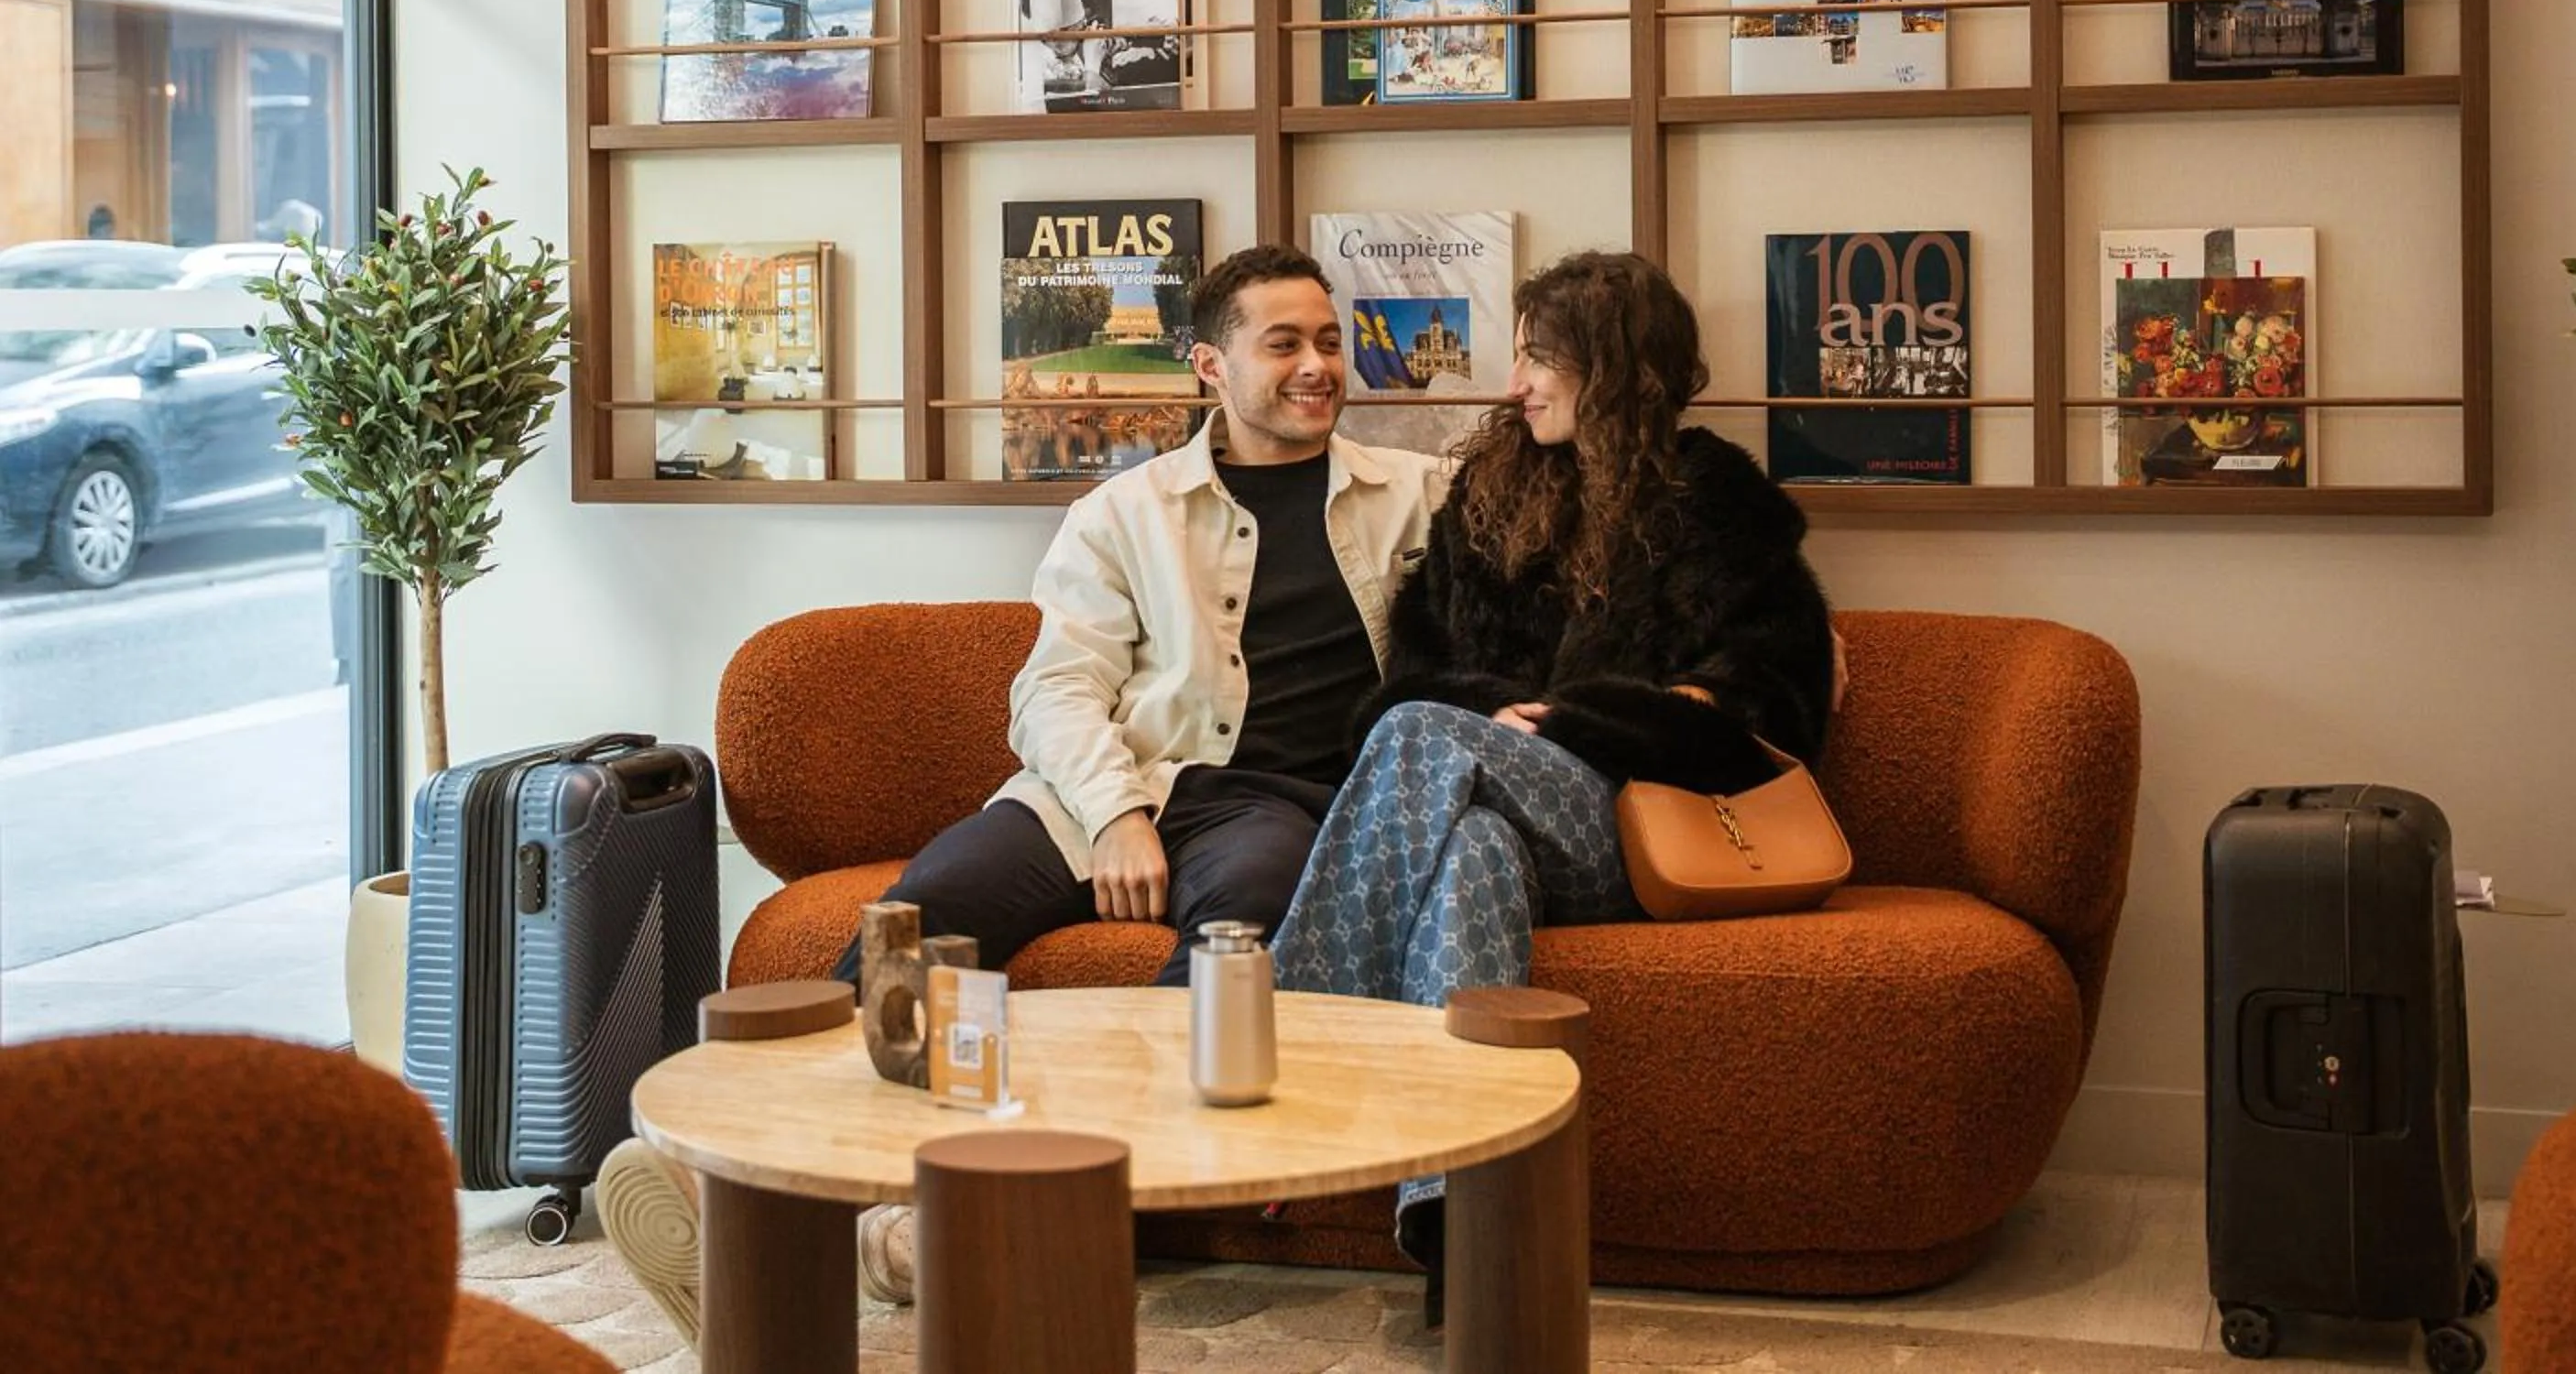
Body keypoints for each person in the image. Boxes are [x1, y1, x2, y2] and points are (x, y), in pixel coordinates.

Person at [598, 243, 1443, 1346]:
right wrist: (1118, 816)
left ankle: (994, 1228)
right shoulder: (1124, 512)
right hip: (1099, 789)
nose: (1316, 365)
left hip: (1275, 806)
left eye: (1327, 341)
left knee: (1239, 931)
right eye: (1282, 342)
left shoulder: (1415, 495)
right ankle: (773, 1186)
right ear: (1209, 365)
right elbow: (1054, 690)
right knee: (925, 914)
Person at [1271, 249, 1839, 1312]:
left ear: (1615, 372)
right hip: (1493, 807)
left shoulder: (1717, 504)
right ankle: (1467, 1240)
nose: (1516, 382)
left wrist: (1587, 722)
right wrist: (1497, 716)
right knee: (1469, 842)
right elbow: (1417, 677)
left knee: (1426, 739)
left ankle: (1296, 1059)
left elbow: (1770, 710)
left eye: (1541, 359)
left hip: (1629, 830)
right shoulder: (1489, 498)